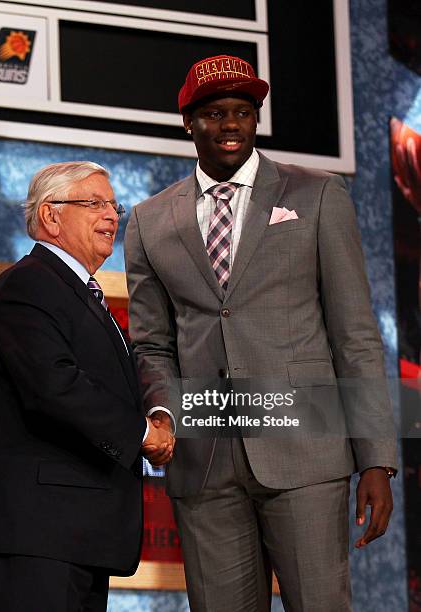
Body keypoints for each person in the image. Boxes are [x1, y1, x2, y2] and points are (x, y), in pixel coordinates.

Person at [124, 55, 397, 611]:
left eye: (244, 112)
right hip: (205, 461)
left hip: (305, 451)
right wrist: (162, 412)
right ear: (188, 122)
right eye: (216, 113)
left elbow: (355, 334)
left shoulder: (317, 194)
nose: (231, 124)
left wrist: (376, 458)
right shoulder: (150, 220)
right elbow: (151, 343)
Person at [0, 161, 173, 612]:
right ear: (51, 216)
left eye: (114, 206)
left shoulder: (77, 292)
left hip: (75, 534)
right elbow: (54, 385)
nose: (113, 216)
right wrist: (143, 434)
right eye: (94, 204)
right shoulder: (29, 284)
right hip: (36, 533)